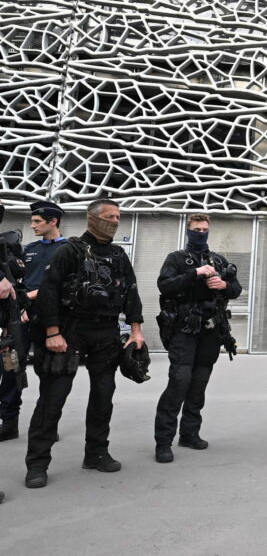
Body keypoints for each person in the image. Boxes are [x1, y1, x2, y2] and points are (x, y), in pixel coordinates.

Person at [24, 199, 145, 489]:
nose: (115, 221)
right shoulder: (70, 250)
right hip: (71, 331)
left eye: (118, 217)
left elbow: (130, 290)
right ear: (92, 219)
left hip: (106, 332)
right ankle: (37, 463)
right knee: (54, 398)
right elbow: (49, 292)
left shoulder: (118, 254)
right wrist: (53, 332)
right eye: (109, 216)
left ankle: (96, 453)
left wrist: (136, 331)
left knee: (103, 395)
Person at [154, 213, 242, 463]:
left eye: (205, 229)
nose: (201, 233)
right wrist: (194, 274)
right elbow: (165, 285)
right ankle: (163, 441)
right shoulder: (177, 258)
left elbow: (236, 289)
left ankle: (190, 433)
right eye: (197, 229)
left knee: (199, 382)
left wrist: (223, 286)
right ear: (188, 231)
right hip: (184, 329)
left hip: (211, 329)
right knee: (180, 381)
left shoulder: (218, 259)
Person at [0, 200, 66, 442]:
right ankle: (8, 422)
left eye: (38, 221)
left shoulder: (69, 249)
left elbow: (61, 285)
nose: (33, 225)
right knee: (10, 367)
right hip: (20, 321)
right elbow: (18, 282)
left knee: (50, 372)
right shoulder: (29, 249)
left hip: (52, 321)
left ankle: (47, 425)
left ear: (53, 222)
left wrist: (28, 298)